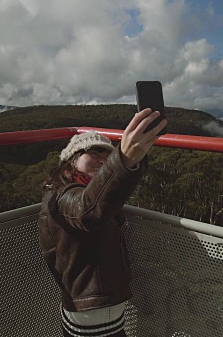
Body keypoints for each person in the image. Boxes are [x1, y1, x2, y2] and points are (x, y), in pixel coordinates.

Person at [38, 108, 167, 337]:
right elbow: (87, 211)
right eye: (94, 152)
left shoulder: (69, 192)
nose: (103, 160)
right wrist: (123, 159)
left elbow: (102, 198)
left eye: (108, 156)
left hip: (86, 308)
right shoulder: (63, 197)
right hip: (95, 313)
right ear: (72, 160)